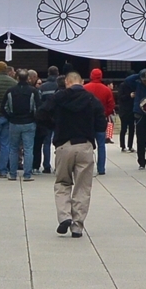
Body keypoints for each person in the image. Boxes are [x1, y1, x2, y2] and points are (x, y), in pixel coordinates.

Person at [50, 71, 106, 238]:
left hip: (63, 144)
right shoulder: (91, 99)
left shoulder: (58, 98)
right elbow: (101, 124)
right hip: (85, 144)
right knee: (83, 187)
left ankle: (64, 216)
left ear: (66, 82)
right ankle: (77, 226)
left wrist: (56, 124)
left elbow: (41, 114)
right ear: (81, 82)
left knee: (62, 183)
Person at [4, 69, 41, 180]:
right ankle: (27, 174)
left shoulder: (10, 91)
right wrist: (34, 118)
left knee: (13, 149)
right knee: (28, 149)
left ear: (17, 78)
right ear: (28, 78)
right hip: (29, 122)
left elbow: (4, 107)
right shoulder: (33, 91)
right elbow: (38, 107)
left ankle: (13, 173)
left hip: (14, 122)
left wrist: (9, 117)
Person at [83, 67, 116, 174]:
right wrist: (104, 113)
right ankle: (101, 168)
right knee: (101, 145)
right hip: (101, 119)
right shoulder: (106, 89)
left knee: (87, 145)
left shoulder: (85, 88)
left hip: (87, 120)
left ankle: (86, 168)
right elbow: (111, 105)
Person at [35, 66, 62, 173]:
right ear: (58, 73)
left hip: (47, 118)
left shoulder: (42, 87)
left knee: (46, 143)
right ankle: (58, 165)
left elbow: (39, 103)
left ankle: (46, 166)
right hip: (59, 117)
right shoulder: (60, 86)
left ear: (48, 73)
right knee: (60, 143)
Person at [116, 70, 140, 150]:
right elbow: (120, 97)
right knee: (123, 128)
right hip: (124, 110)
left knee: (132, 129)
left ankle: (130, 146)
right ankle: (122, 145)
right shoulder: (123, 85)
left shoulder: (135, 85)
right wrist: (129, 95)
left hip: (132, 109)